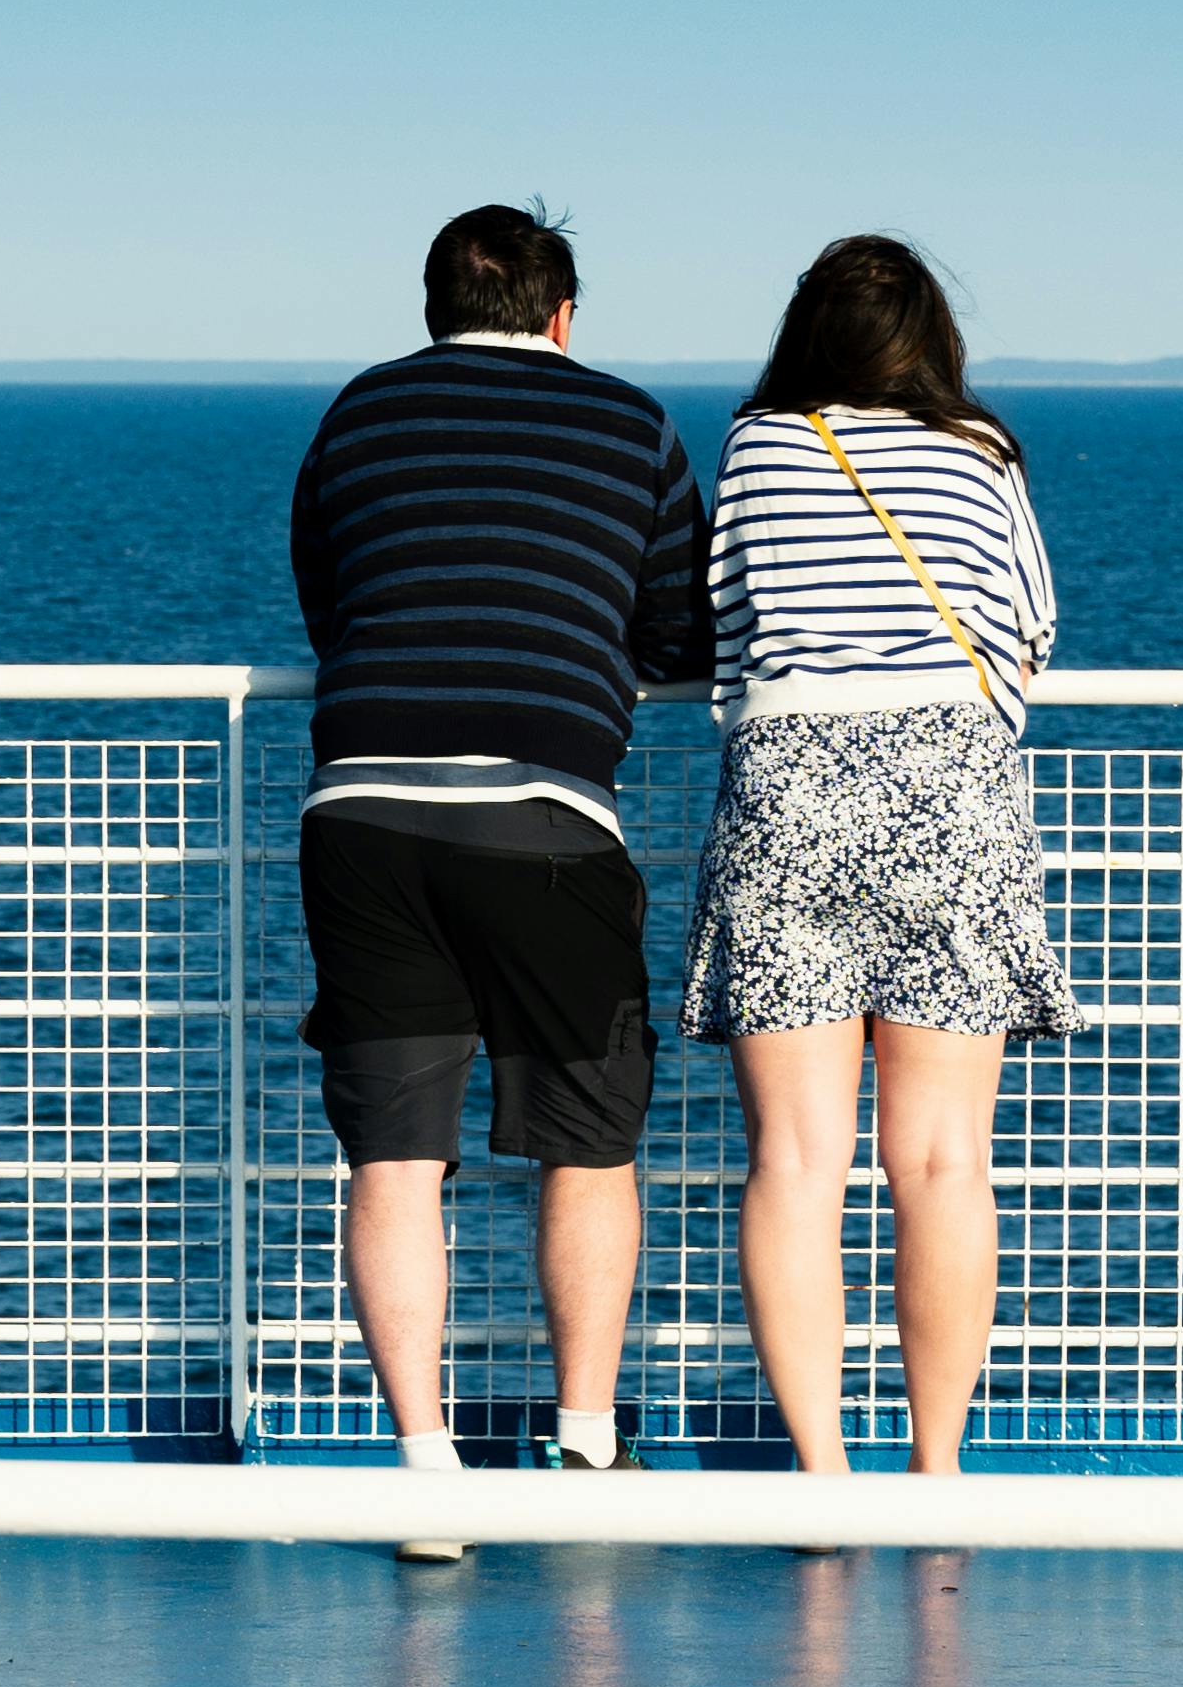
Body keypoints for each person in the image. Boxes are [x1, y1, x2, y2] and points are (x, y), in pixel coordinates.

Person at [289, 202, 712, 1546]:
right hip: (544, 818)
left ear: (429, 309)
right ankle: (584, 1448)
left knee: (395, 1160)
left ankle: (426, 1474)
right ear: (561, 315)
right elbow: (681, 628)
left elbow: (327, 596)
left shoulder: (356, 416)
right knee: (586, 1147)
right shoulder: (631, 425)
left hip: (360, 815)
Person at [677, 235, 1074, 1476]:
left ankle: (822, 1474)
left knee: (796, 1163)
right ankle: (937, 1471)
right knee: (945, 1160)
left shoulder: (758, 447)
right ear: (930, 340)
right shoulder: (983, 451)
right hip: (953, 801)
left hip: (789, 796)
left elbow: (727, 627)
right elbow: (1033, 626)